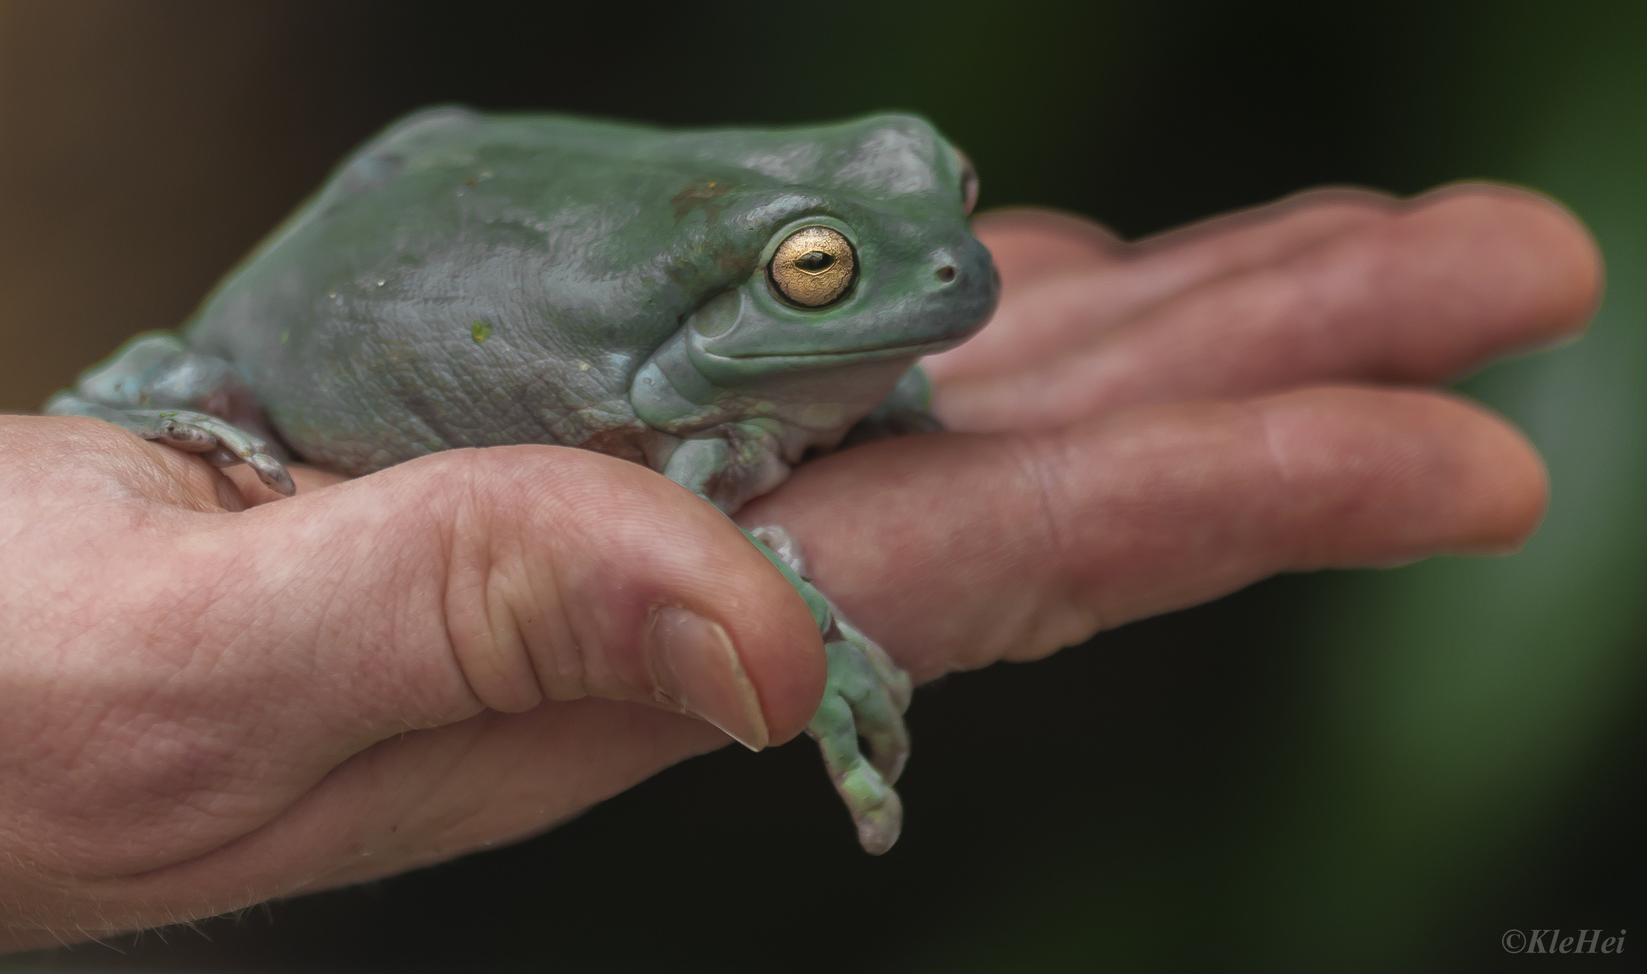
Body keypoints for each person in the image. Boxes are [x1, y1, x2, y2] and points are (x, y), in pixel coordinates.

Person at [0, 184, 1598, 952]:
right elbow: (693, 518)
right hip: (294, 341)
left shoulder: (778, 350)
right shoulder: (688, 415)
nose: (953, 270)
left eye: (947, 204)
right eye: (823, 272)